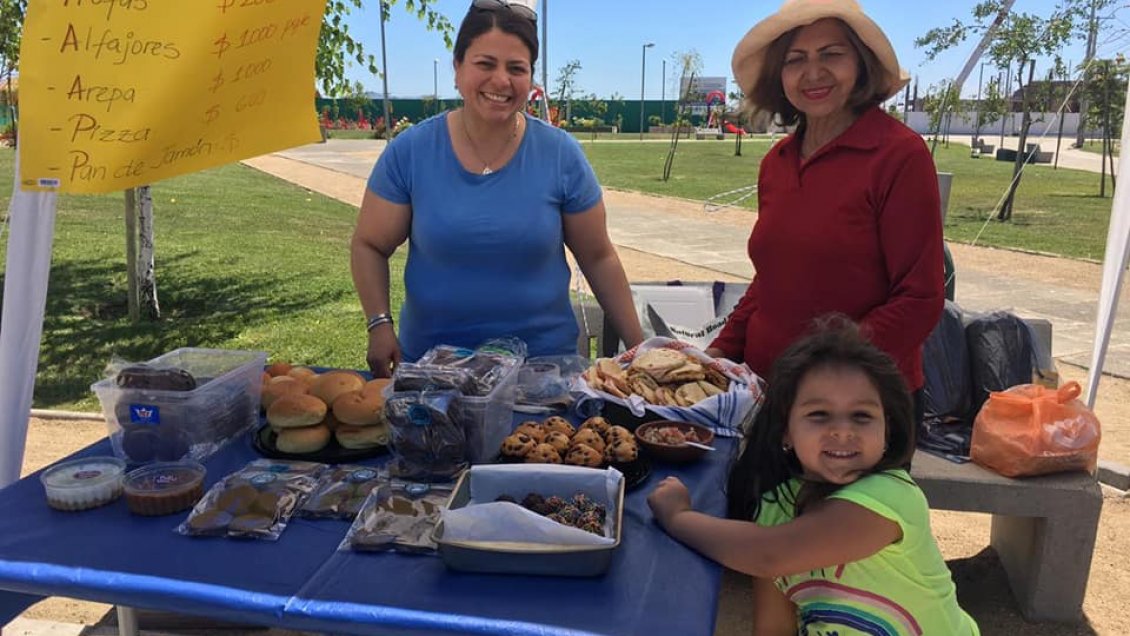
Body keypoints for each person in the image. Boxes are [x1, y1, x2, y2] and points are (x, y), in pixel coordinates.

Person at [350, 0, 642, 376]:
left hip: (544, 376)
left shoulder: (560, 154)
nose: (501, 81)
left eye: (516, 69)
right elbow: (369, 244)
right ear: (457, 68)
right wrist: (379, 323)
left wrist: (639, 349)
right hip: (435, 375)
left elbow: (599, 257)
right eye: (485, 64)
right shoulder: (410, 152)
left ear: (531, 80)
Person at [648, 317, 979, 634]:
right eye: (819, 415)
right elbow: (774, 629)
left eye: (862, 416)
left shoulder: (890, 497)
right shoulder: (774, 510)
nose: (842, 431)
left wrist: (679, 517)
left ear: (887, 429)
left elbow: (770, 555)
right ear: (785, 431)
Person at [705, 0, 945, 422]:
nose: (813, 72)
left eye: (831, 54)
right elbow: (772, 280)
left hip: (856, 408)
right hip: (767, 394)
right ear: (780, 76)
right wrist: (718, 351)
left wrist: (825, 371)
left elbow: (920, 298)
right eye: (796, 59)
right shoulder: (777, 162)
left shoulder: (898, 155)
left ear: (861, 63)